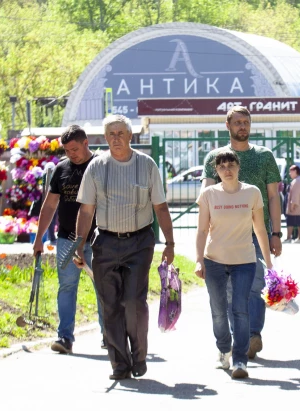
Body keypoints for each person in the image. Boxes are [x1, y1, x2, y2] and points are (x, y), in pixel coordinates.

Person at [75, 114, 175, 380]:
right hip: (105, 243)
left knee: (133, 301)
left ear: (131, 136)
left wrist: (170, 242)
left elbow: (160, 206)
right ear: (105, 138)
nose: (116, 138)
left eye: (121, 133)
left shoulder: (146, 165)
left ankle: (139, 355)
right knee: (110, 306)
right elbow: (86, 210)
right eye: (111, 134)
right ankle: (119, 363)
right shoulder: (96, 167)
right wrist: (79, 243)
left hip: (139, 243)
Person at [202, 106, 282, 360]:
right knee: (227, 291)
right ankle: (239, 337)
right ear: (228, 126)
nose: (242, 127)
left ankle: (252, 335)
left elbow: (273, 196)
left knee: (256, 286)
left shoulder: (264, 156)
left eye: (245, 122)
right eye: (237, 122)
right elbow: (206, 197)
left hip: (257, 233)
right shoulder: (215, 157)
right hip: (223, 237)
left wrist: (276, 233)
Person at [195, 150, 273, 379]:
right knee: (219, 311)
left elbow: (259, 229)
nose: (227, 170)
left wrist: (268, 262)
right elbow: (201, 230)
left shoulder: (252, 193)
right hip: (214, 261)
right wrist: (199, 259)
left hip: (244, 261)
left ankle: (240, 359)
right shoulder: (209, 194)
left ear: (238, 167)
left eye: (231, 165)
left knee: (240, 309)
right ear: (216, 171)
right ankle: (223, 350)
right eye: (221, 167)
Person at [32, 125, 104, 354]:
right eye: (67, 150)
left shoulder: (100, 166)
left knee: (103, 287)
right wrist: (39, 238)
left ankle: (109, 335)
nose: (71, 154)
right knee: (67, 287)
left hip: (98, 238)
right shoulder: (62, 169)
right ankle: (65, 337)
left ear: (86, 143)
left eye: (74, 148)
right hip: (67, 239)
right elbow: (50, 205)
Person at [284, 165, 300, 243]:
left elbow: (295, 195)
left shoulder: (297, 181)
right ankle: (299, 238)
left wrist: (293, 205)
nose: (289, 173)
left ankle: (289, 238)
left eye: (291, 171)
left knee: (290, 222)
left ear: (295, 171)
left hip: (295, 207)